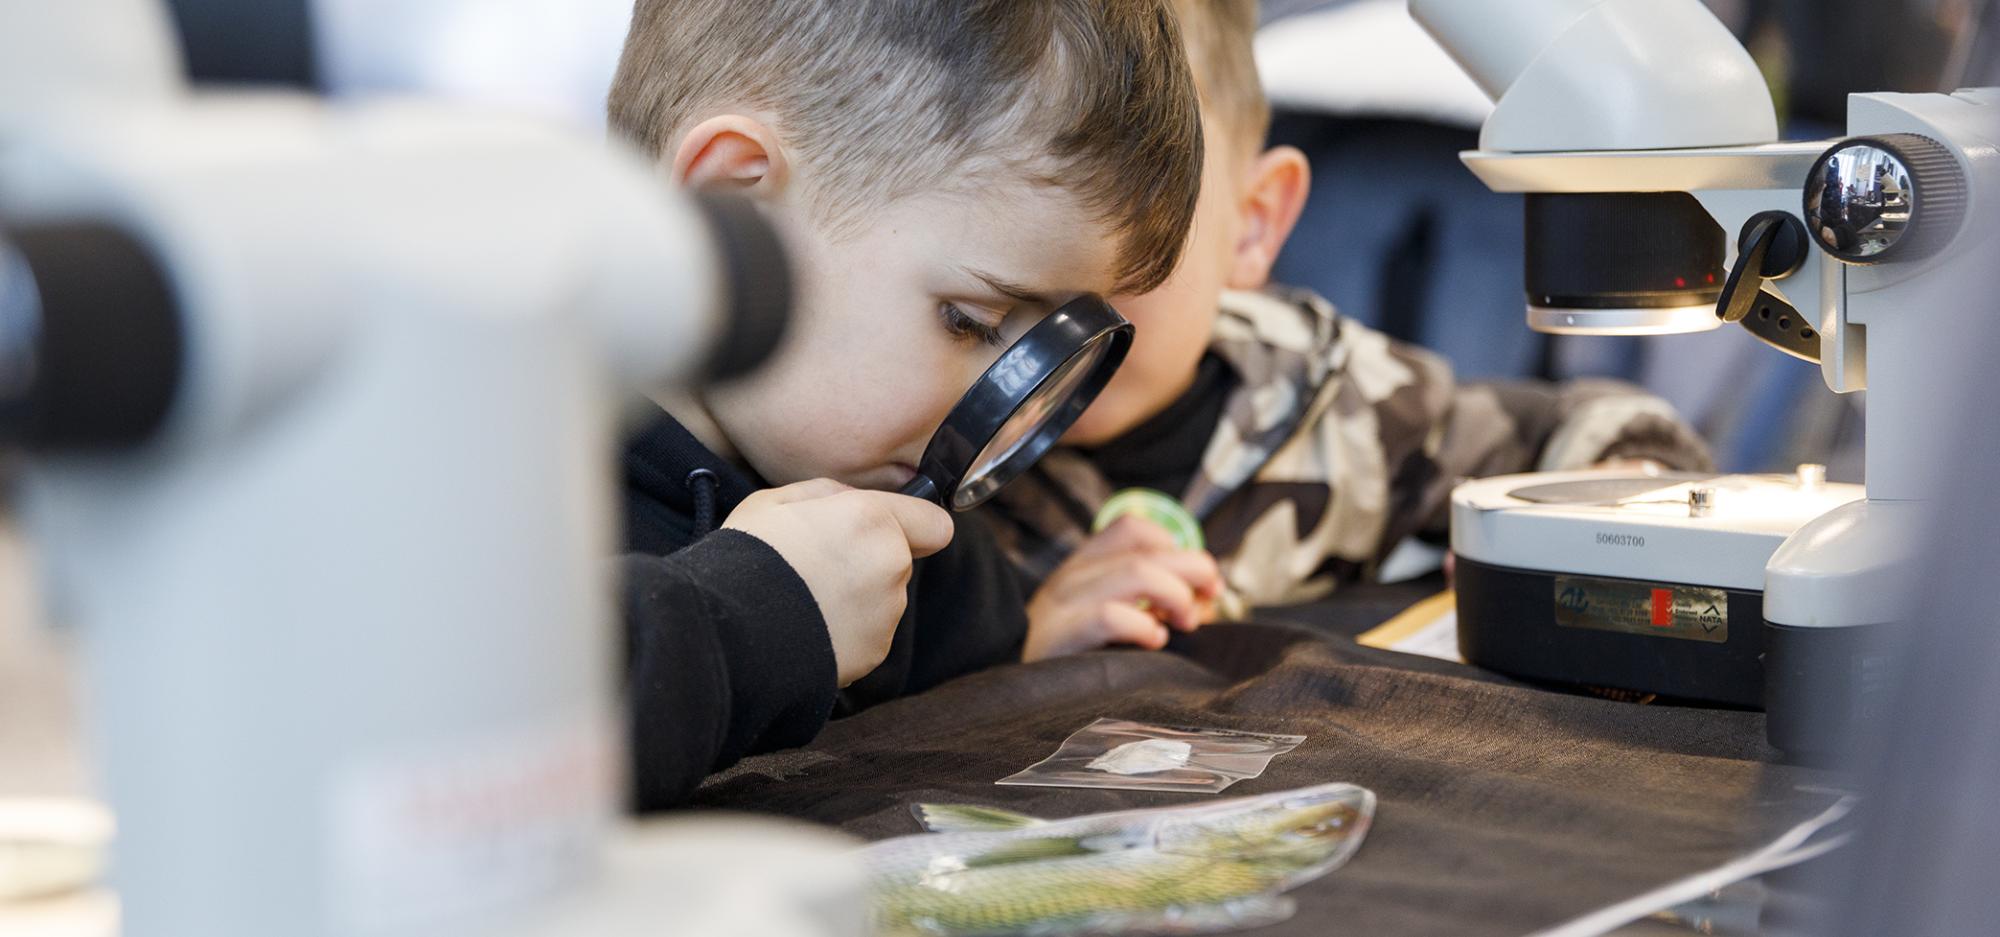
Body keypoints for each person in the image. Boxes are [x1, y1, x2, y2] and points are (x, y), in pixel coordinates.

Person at [605, 0, 1207, 809]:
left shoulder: (899, 506)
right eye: (972, 321)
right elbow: (435, 747)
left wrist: (1032, 643)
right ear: (729, 202)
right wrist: (756, 621)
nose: (1003, 410)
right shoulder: (477, 467)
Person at [987, 0, 1714, 639]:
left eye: (1133, 248)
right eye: (1012, 252)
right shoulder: (918, 455)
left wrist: (1610, 497)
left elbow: (1585, 424)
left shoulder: (1346, 408)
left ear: (1252, 227)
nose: (1059, 311)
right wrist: (1025, 650)